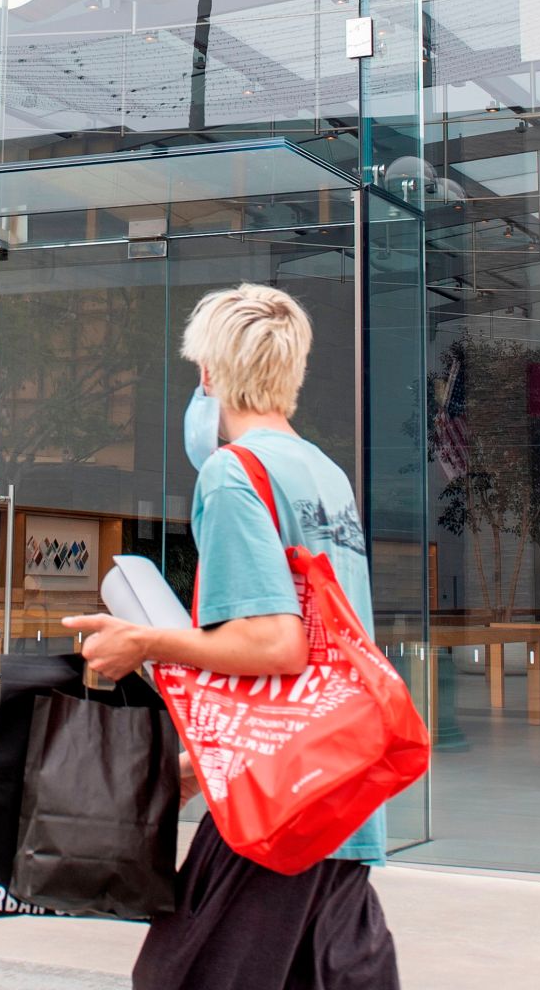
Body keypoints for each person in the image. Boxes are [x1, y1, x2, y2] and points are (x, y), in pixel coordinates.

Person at [65, 284, 398, 990]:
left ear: (211, 374)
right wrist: (195, 770)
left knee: (179, 976)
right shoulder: (324, 474)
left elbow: (276, 644)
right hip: (340, 782)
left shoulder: (233, 473)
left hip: (280, 795)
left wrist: (141, 642)